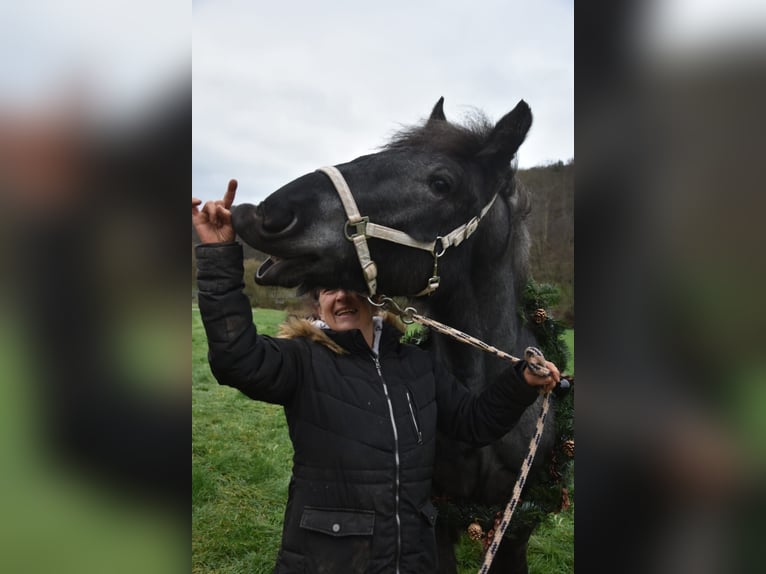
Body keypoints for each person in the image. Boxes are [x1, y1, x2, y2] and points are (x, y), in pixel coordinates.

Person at [192, 180, 560, 573]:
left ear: (375, 297)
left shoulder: (416, 364)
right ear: (317, 302)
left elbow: (473, 421)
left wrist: (520, 381)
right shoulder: (302, 362)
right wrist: (217, 257)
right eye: (328, 290)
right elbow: (236, 358)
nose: (341, 297)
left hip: (414, 558)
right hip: (330, 561)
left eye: (350, 286)